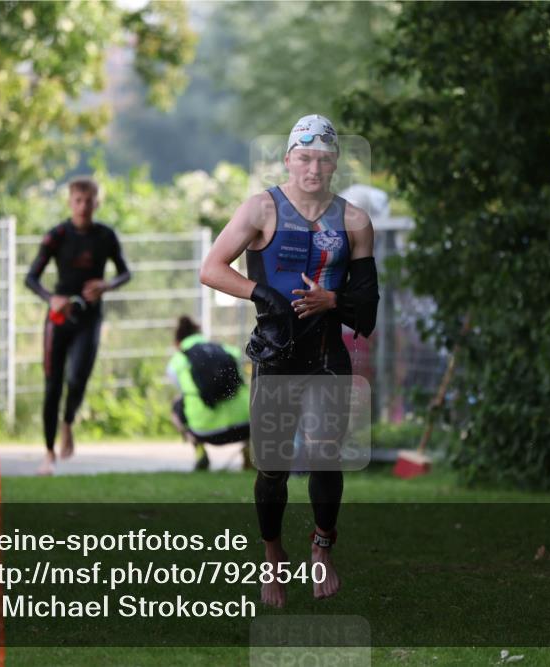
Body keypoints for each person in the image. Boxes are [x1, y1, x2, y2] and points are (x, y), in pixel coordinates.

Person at [200, 114, 380, 607]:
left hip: (326, 356)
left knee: (325, 453)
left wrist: (333, 302)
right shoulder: (261, 208)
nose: (313, 167)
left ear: (335, 163)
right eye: (304, 157)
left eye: (323, 158)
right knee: (273, 468)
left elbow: (367, 307)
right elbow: (212, 269)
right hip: (277, 356)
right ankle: (273, 560)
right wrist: (263, 294)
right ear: (288, 159)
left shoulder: (355, 221)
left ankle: (321, 550)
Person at [25, 176, 131, 475]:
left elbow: (125, 273)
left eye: (89, 201)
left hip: (89, 318)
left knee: (78, 378)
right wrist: (51, 298)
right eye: (78, 201)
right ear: (70, 202)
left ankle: (68, 422)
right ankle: (48, 454)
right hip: (59, 319)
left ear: (97, 202)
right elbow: (30, 278)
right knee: (52, 386)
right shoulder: (57, 235)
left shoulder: (106, 236)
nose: (83, 206)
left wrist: (107, 285)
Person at [166, 316, 252, 472]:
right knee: (242, 395)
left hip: (204, 431)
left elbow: (184, 391)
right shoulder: (228, 350)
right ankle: (249, 449)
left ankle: (199, 450)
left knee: (178, 404)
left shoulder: (178, 361)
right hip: (245, 427)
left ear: (178, 342)